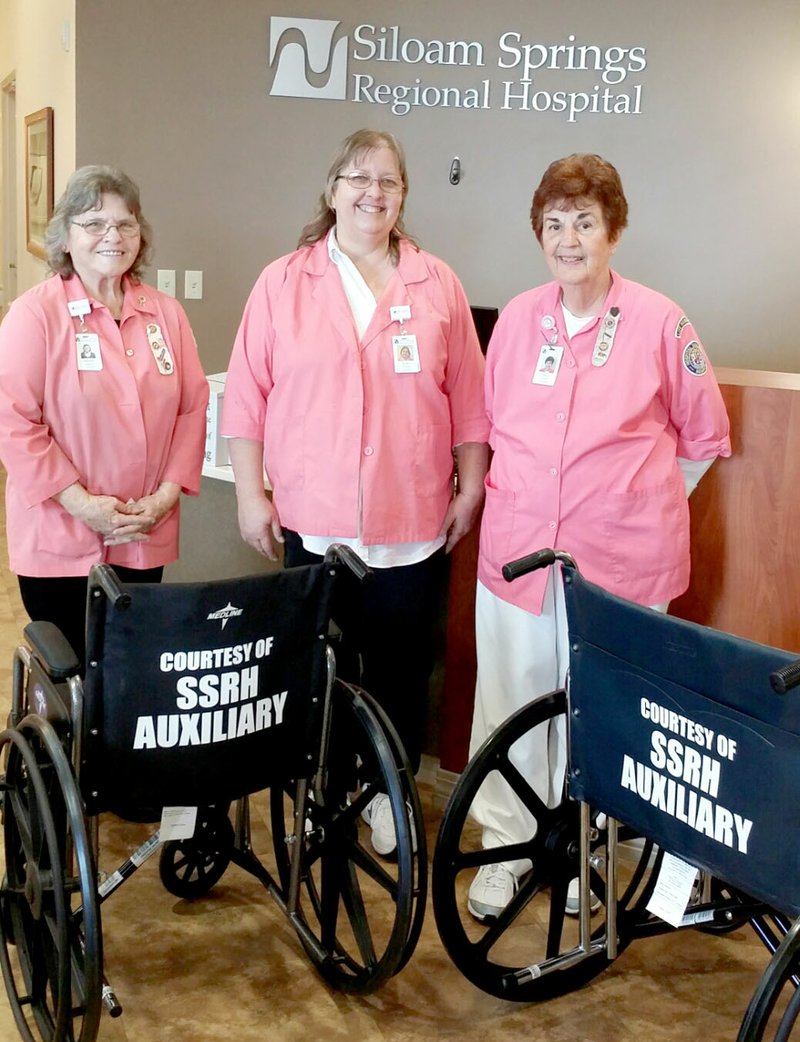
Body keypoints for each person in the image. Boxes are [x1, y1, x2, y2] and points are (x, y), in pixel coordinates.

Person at [466, 153, 731, 921]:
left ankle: (586, 852)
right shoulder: (518, 318)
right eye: (554, 223)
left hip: (620, 566)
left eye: (585, 221)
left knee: (604, 713)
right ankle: (508, 848)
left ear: (614, 230)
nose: (569, 238)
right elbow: (489, 425)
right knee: (513, 703)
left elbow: (703, 438)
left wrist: (636, 500)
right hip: (517, 556)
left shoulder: (659, 320)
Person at [222, 128, 489, 854]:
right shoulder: (284, 280)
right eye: (359, 178)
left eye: (389, 181)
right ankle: (325, 789)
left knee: (403, 673)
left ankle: (385, 792)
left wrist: (471, 485)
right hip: (315, 523)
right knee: (319, 669)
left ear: (404, 196)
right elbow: (246, 397)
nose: (373, 192)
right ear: (332, 188)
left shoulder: (437, 284)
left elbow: (469, 396)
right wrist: (252, 494)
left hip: (412, 522)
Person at [0, 165, 209, 665]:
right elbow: (14, 421)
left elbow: (192, 407)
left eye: (125, 224)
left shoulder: (165, 313)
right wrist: (82, 504)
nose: (112, 236)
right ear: (66, 237)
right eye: (94, 224)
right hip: (61, 539)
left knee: (129, 674)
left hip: (142, 531)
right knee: (74, 676)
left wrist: (165, 497)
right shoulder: (35, 315)